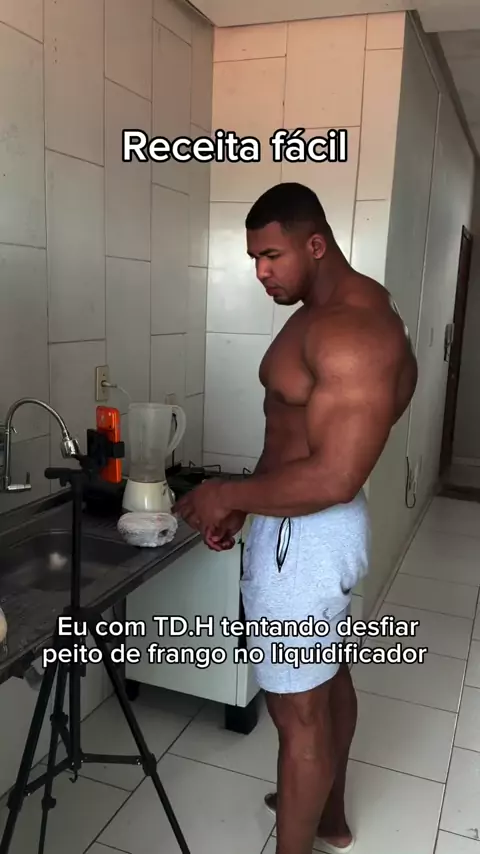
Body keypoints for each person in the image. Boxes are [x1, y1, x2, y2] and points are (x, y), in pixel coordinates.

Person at [173, 182, 418, 854]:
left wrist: (227, 493)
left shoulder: (352, 332)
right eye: (254, 258)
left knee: (296, 715)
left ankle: (305, 826)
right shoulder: (334, 310)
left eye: (271, 256)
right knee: (327, 676)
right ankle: (328, 816)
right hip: (299, 525)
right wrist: (244, 503)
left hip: (305, 537)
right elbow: (294, 439)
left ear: (315, 244)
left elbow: (335, 476)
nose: (261, 272)